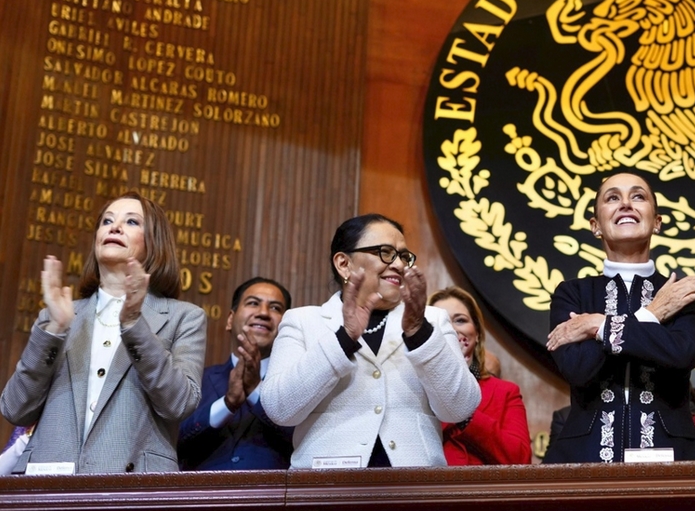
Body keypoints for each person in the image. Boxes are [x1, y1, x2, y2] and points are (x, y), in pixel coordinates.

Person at [0, 192, 206, 473]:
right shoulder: (57, 315)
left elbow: (179, 403)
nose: (115, 226)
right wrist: (54, 331)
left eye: (132, 222)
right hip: (49, 490)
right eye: (107, 220)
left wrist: (134, 324)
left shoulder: (185, 317)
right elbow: (15, 409)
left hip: (131, 494)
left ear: (154, 243)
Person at [260, 214, 479, 468]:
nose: (398, 265)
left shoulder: (432, 320)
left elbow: (460, 407)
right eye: (386, 252)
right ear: (344, 263)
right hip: (325, 487)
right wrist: (344, 338)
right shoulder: (303, 321)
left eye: (404, 256)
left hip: (415, 486)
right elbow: (279, 409)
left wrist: (419, 333)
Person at [542, 172, 695, 463]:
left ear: (656, 221)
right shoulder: (572, 293)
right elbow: (578, 368)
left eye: (638, 196)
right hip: (585, 455)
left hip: (670, 451)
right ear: (595, 226)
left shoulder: (682, 292)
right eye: (612, 198)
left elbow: (682, 353)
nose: (625, 204)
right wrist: (652, 315)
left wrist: (599, 325)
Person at [178, 277, 294, 470]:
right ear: (230, 319)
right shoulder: (196, 379)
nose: (264, 313)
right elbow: (172, 440)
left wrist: (256, 392)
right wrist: (227, 403)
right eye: (253, 303)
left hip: (270, 496)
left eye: (275, 308)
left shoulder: (296, 383)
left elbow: (304, 441)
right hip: (203, 495)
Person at [430, 286, 531, 465]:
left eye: (460, 320)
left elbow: (520, 459)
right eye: (441, 322)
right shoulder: (415, 390)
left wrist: (466, 414)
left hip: (483, 490)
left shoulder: (505, 392)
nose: (451, 329)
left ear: (476, 333)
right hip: (429, 490)